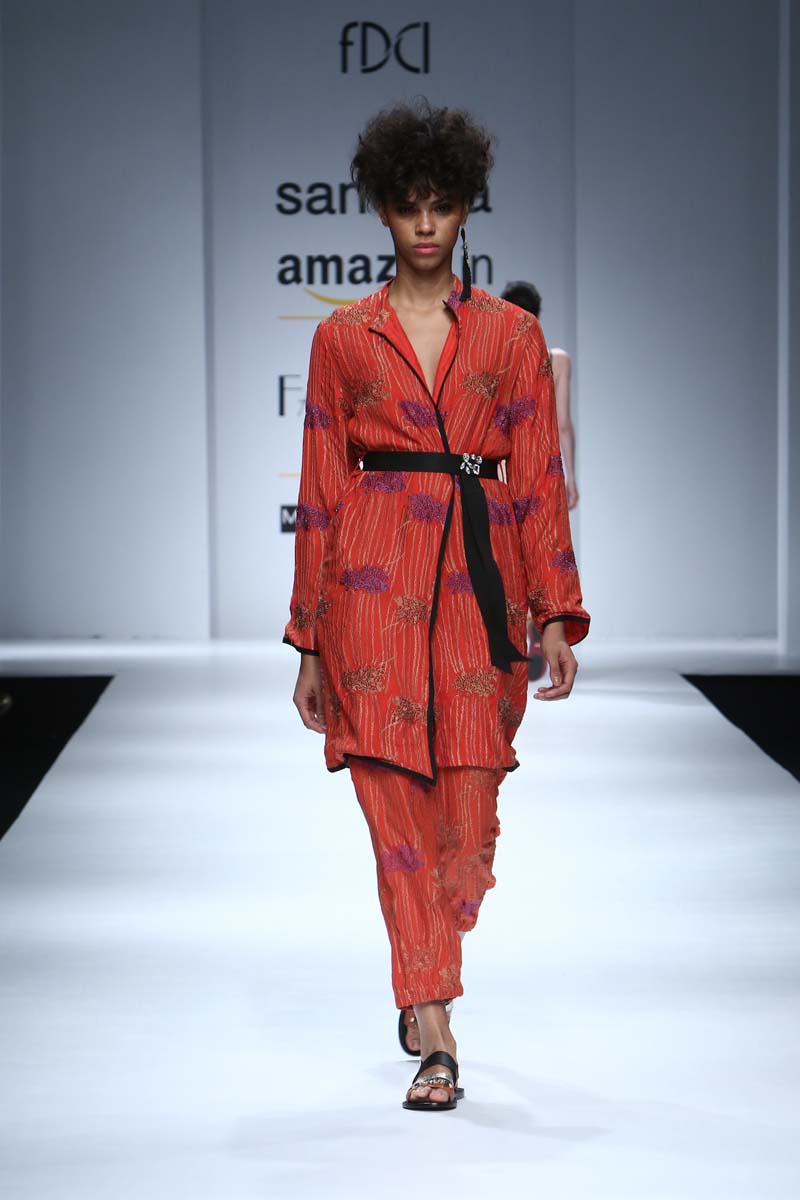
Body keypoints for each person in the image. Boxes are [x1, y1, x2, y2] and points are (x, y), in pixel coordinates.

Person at [283, 99, 590, 1112]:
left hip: (477, 587)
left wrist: (554, 610)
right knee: (396, 824)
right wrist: (309, 641)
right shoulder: (343, 339)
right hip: (370, 585)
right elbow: (319, 490)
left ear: (465, 211)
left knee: (464, 832)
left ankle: (429, 966)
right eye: (407, 205)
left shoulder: (510, 335)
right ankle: (435, 1026)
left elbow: (538, 477)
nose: (424, 223)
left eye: (442, 205)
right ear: (381, 210)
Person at [501, 282, 581, 681]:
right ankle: (537, 628)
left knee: (506, 549)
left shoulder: (494, 354)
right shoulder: (555, 359)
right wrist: (570, 477)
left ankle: (514, 633)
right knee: (541, 546)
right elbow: (561, 422)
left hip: (501, 466)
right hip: (540, 463)